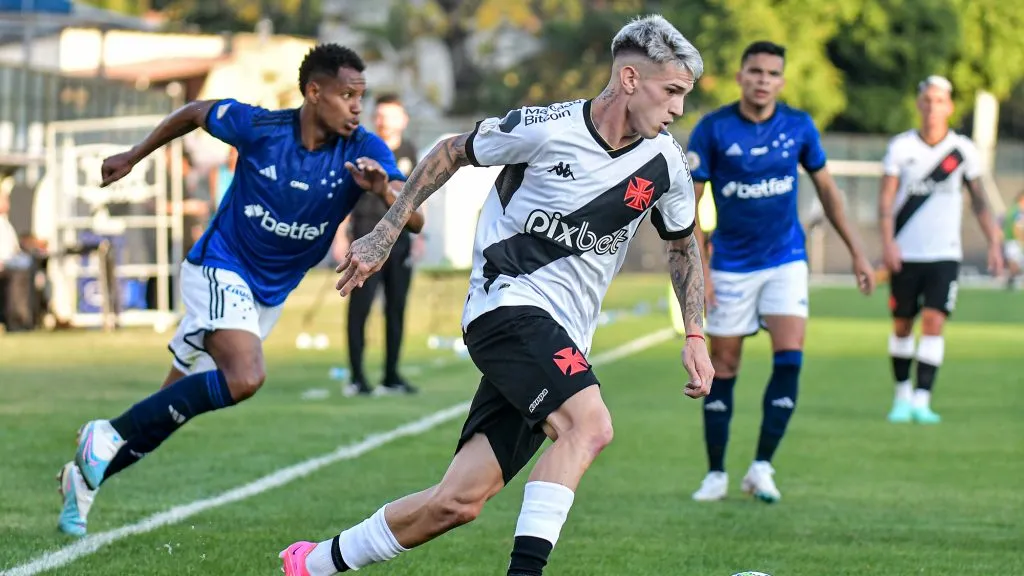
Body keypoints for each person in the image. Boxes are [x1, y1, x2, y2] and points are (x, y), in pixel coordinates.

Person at [278, 14, 714, 576]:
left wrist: (695, 333)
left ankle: (312, 564)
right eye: (671, 91)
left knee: (457, 501)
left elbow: (682, 246)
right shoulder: (547, 127)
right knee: (589, 426)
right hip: (505, 305)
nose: (678, 108)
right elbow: (448, 151)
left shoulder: (666, 164)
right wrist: (387, 231)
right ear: (630, 78)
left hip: (562, 336)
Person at [55, 43, 419, 537]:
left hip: (266, 296)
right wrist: (134, 156)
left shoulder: (364, 148)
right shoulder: (261, 127)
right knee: (246, 376)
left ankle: (81, 480)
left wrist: (382, 189)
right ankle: (105, 433)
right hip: (218, 267)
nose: (357, 107)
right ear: (314, 93)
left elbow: (415, 217)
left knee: (167, 409)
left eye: (361, 96)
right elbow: (194, 112)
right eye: (347, 95)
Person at [686, 41, 875, 504]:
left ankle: (762, 467)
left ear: (782, 81)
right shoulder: (713, 129)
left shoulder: (799, 126)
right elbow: (689, 205)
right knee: (724, 366)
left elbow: (828, 193)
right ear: (740, 76)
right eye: (755, 71)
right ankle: (716, 473)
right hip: (730, 264)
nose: (763, 80)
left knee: (790, 357)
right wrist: (701, 268)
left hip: (786, 258)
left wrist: (857, 252)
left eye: (772, 73)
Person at [880, 75, 1003, 425]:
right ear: (918, 105)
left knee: (934, 321)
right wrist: (887, 243)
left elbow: (980, 202)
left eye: (939, 101)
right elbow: (885, 201)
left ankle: (922, 399)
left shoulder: (962, 151)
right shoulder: (901, 147)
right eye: (927, 100)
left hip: (945, 254)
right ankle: (902, 395)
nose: (932, 107)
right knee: (902, 324)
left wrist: (995, 242)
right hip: (905, 253)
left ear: (949, 106)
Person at [344, 93, 423, 396]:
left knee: (396, 308)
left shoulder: (409, 150)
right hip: (366, 235)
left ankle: (391, 375)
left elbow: (419, 195)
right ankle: (357, 377)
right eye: (380, 115)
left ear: (403, 119)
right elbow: (346, 195)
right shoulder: (364, 150)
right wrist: (340, 236)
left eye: (390, 115)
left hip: (400, 238)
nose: (384, 121)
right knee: (360, 307)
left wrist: (419, 236)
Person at [1002, 191, 1024, 289]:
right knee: (1015, 263)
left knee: (1014, 262)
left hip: (1011, 240)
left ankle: (1011, 280)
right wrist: (1020, 238)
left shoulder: (1012, 210)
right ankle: (1011, 280)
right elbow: (1017, 226)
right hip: (1014, 240)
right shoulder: (1017, 211)